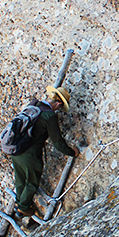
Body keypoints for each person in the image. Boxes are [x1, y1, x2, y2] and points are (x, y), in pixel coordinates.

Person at [11, 85, 79, 218]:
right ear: (58, 103)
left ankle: (19, 203)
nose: (59, 110)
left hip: (16, 148)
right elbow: (58, 142)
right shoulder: (49, 116)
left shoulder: (34, 105)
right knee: (32, 181)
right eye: (60, 107)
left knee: (20, 178)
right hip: (30, 154)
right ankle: (23, 209)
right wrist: (72, 152)